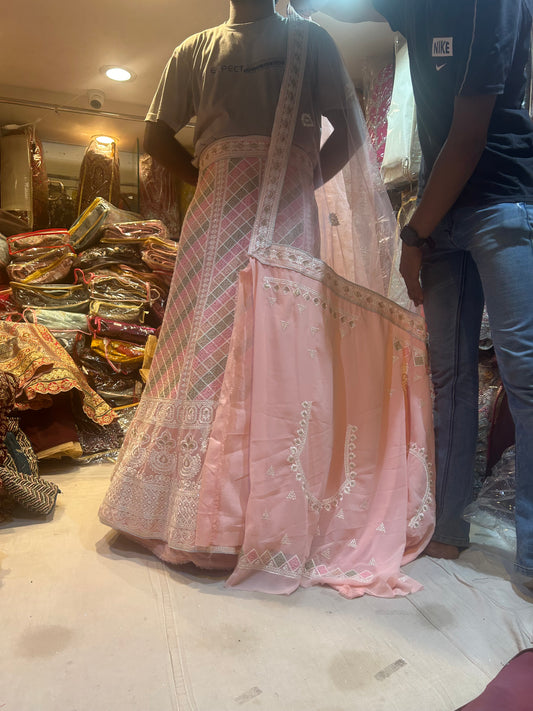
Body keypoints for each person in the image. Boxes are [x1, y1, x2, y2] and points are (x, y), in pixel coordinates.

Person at [99, 0, 435, 598]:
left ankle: (260, 517)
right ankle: (183, 513)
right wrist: (204, 170)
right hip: (214, 209)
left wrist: (301, 177)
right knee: (201, 340)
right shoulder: (195, 49)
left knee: (279, 349)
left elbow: (347, 135)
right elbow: (153, 133)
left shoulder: (313, 43)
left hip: (287, 214)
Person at [291, 0, 533, 583]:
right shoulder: (413, 4)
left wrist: (414, 234)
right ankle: (445, 524)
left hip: (500, 200)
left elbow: (469, 136)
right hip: (443, 212)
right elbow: (342, 7)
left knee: (525, 375)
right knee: (448, 379)